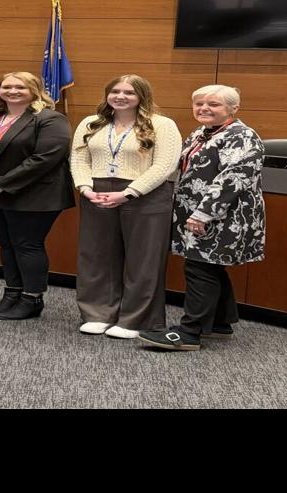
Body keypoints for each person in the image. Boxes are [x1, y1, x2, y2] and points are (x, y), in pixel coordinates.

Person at [139, 85, 265, 352]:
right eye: (199, 103)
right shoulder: (201, 133)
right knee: (211, 266)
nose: (204, 108)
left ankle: (189, 333)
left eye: (213, 104)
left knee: (199, 268)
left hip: (221, 215)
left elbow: (233, 178)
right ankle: (220, 323)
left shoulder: (241, 136)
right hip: (197, 212)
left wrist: (204, 213)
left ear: (233, 109)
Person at [69, 74, 181, 339]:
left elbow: (165, 165)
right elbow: (79, 157)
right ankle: (97, 314)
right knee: (96, 255)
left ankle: (136, 319)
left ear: (142, 96)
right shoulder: (91, 123)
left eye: (129, 92)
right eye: (115, 91)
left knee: (143, 260)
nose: (121, 96)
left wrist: (129, 193)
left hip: (146, 194)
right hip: (96, 193)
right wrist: (85, 188)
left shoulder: (163, 124)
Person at [0, 72, 74, 321]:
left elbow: (45, 158)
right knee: (7, 245)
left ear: (34, 90)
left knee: (27, 245)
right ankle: (12, 294)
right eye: (7, 86)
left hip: (34, 194)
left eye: (20, 87)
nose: (13, 91)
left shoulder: (50, 119)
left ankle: (32, 299)